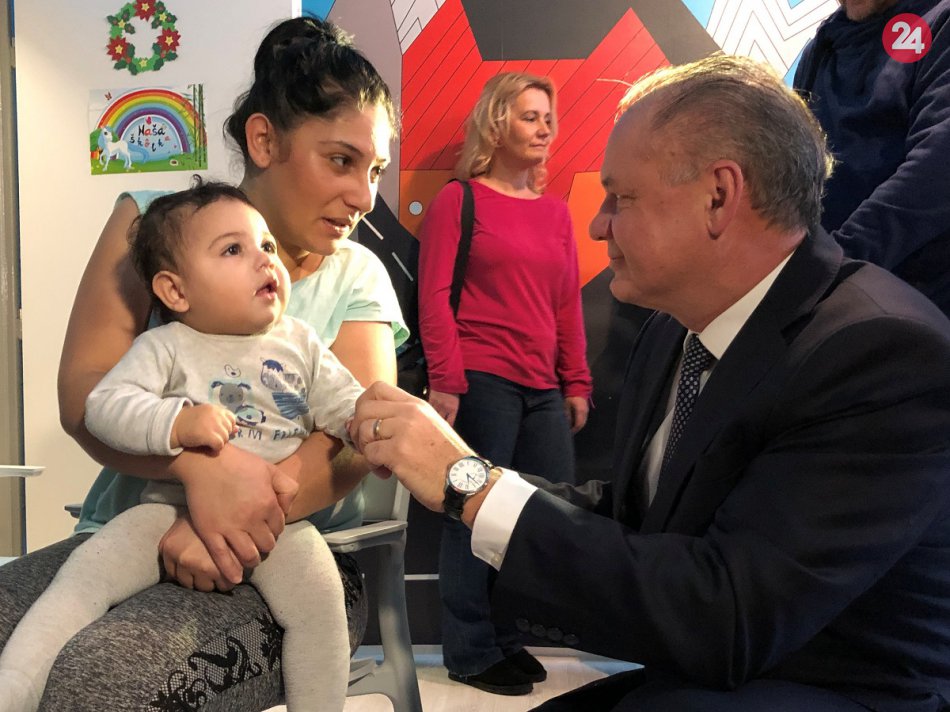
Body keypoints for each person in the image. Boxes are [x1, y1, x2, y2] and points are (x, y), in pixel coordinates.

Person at [349, 54, 950, 711]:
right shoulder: (674, 333)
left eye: (622, 198)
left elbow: (729, 619)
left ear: (718, 196)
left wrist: (469, 485)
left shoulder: (879, 352)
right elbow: (641, 518)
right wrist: (467, 479)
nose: (599, 224)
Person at [0, 17, 407, 711]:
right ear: (264, 140)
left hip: (288, 553)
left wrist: (229, 519)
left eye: (375, 171)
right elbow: (85, 397)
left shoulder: (357, 272)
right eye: (342, 161)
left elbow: (354, 439)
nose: (366, 198)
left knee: (98, 679)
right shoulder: (154, 224)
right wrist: (197, 470)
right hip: (128, 528)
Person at [0, 181, 365, 712]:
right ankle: (13, 686)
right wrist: (176, 422)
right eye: (233, 249)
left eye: (265, 244)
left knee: (320, 603)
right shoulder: (165, 345)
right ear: (175, 292)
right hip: (164, 513)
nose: (264, 259)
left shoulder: (301, 343)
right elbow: (104, 406)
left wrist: (370, 425)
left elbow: (347, 406)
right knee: (83, 578)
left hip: (277, 527)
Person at [417, 71, 593, 695]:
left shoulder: (555, 212)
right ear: (497, 124)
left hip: (543, 389)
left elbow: (566, 302)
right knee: (468, 514)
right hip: (481, 379)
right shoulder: (458, 200)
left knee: (537, 518)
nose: (544, 128)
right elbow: (434, 294)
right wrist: (446, 379)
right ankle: (470, 651)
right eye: (529, 116)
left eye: (548, 118)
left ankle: (507, 640)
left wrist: (576, 380)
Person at [794, 0, 950, 315]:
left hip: (906, 305)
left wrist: (830, 264)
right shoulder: (823, 46)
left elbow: (936, 170)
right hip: (818, 293)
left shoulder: (940, 22)